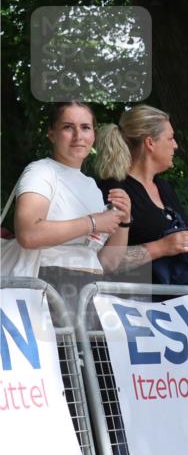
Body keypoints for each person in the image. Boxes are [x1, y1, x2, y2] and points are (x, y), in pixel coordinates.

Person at [7, 101, 131, 318]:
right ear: (52, 134)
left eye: (85, 127)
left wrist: (125, 220)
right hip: (44, 293)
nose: (78, 135)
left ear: (93, 134)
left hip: (87, 296)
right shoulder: (41, 171)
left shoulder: (92, 186)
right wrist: (92, 222)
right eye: (67, 127)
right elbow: (28, 234)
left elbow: (108, 262)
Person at [94, 105, 188, 286]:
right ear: (150, 143)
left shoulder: (164, 187)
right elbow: (103, 261)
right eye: (170, 138)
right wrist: (160, 248)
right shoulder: (114, 189)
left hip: (174, 306)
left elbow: (176, 237)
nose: (176, 145)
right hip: (133, 306)